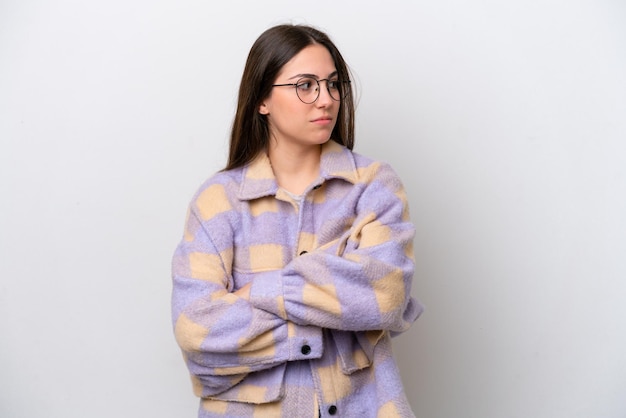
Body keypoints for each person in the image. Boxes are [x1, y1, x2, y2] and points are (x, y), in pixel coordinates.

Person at [171, 23, 423, 418]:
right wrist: (334, 306)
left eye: (333, 84)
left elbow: (386, 295)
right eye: (305, 85)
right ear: (262, 100)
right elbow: (197, 329)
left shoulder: (373, 185)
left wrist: (255, 294)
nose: (325, 99)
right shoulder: (218, 200)